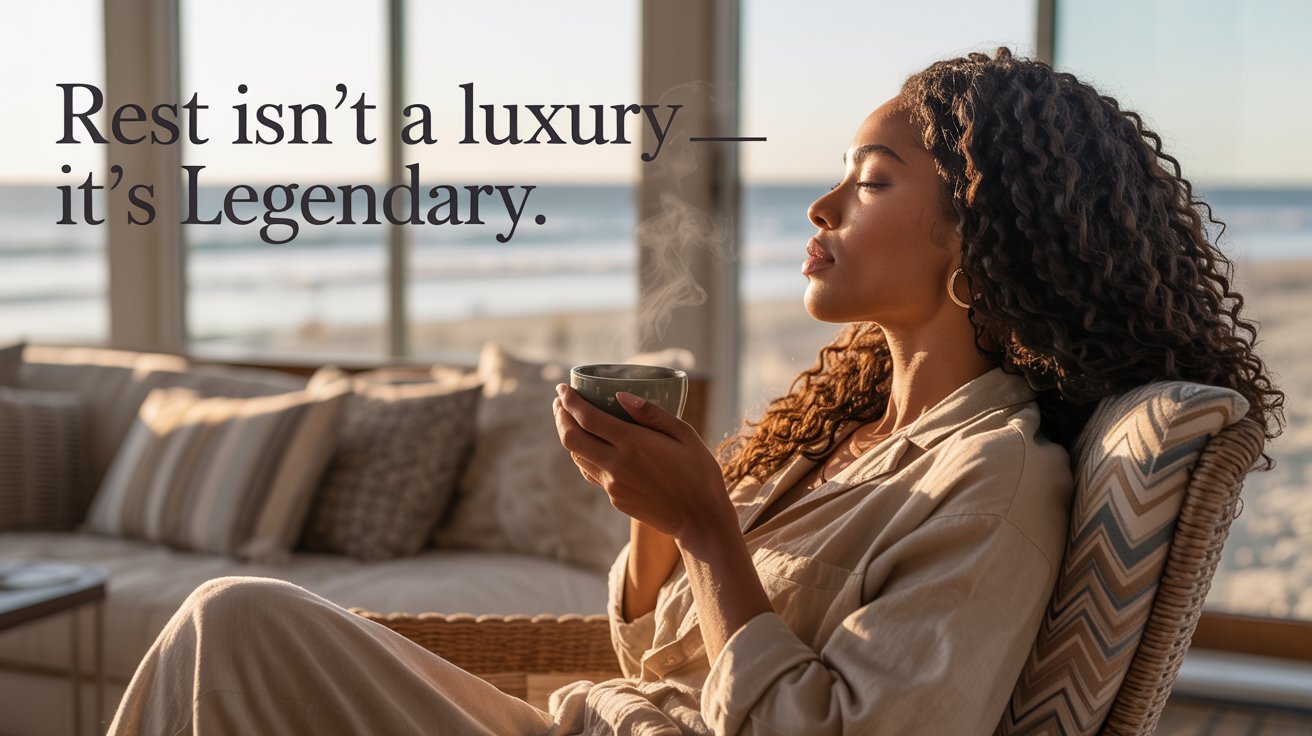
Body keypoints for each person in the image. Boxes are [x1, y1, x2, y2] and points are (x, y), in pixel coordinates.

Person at [106, 47, 1282, 735]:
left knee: (229, 622)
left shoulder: (998, 484)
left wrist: (710, 529)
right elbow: (647, 647)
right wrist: (654, 517)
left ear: (984, 234)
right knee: (239, 620)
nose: (819, 211)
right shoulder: (854, 433)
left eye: (869, 183)